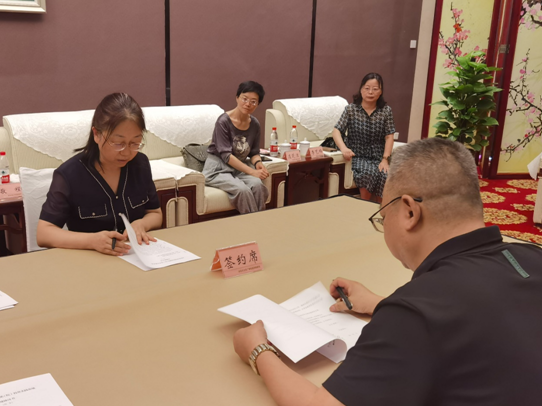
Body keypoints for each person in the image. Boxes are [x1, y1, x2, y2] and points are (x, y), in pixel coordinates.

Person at [232, 137, 542, 405]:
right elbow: (484, 313)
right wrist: (380, 303)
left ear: (409, 211)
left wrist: (258, 350)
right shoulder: (531, 256)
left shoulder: (414, 313)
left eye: (383, 213)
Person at [37, 92, 163, 256]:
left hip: (135, 256)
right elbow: (44, 233)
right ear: (96, 134)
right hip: (89, 260)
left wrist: (141, 224)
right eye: (118, 143)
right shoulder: (69, 175)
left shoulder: (140, 164)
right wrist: (92, 241)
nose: (126, 152)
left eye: (135, 143)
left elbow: (155, 213)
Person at [202, 81, 269, 214]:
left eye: (253, 101)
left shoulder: (255, 124)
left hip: (238, 169)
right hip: (217, 170)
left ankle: (260, 220)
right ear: (237, 98)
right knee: (242, 190)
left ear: (258, 104)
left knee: (258, 185)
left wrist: (258, 163)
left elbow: (254, 152)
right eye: (245, 99)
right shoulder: (223, 121)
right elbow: (226, 156)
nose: (248, 104)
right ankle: (253, 223)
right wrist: (252, 172)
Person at [331, 72, 395, 202]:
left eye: (375, 89)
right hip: (357, 156)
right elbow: (337, 131)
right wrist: (344, 149)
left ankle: (380, 210)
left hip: (378, 157)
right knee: (368, 173)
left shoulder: (386, 111)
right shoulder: (351, 109)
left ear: (380, 92)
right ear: (361, 90)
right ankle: (364, 206)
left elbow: (389, 136)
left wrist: (385, 159)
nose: (370, 92)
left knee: (385, 175)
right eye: (367, 88)